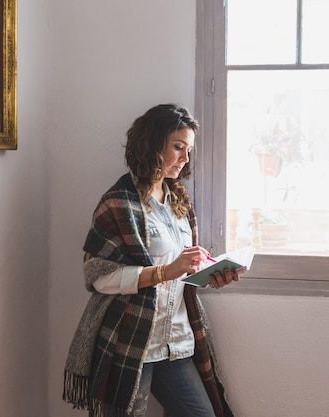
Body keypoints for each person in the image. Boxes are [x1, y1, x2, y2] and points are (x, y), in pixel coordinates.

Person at [63, 104, 238, 417]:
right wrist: (166, 271)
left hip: (177, 342)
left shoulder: (179, 203)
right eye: (178, 147)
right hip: (131, 341)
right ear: (154, 143)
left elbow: (182, 273)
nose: (185, 158)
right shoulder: (119, 202)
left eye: (189, 149)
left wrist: (209, 274)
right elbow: (99, 275)